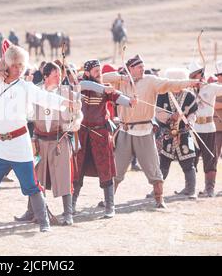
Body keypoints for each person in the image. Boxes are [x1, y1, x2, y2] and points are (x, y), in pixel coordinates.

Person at [0, 44, 80, 232]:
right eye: (15, 65)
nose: (19, 69)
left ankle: (43, 221)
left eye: (21, 66)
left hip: (20, 143)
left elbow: (45, 97)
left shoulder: (25, 86)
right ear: (7, 65)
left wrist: (67, 103)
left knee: (31, 184)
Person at [102, 54, 200, 208]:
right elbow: (102, 78)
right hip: (126, 131)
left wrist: (190, 82)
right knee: (117, 168)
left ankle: (159, 199)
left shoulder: (150, 80)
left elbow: (170, 84)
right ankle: (109, 201)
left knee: (154, 168)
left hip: (145, 131)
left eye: (143, 66)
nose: (143, 69)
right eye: (139, 67)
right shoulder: (121, 82)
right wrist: (122, 78)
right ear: (131, 69)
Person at [15, 62, 82, 226]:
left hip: (59, 140)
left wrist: (74, 120)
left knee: (64, 176)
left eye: (60, 75)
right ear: (45, 77)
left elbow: (78, 116)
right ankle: (32, 212)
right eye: (55, 75)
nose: (59, 78)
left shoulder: (67, 93)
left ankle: (68, 214)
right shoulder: (35, 91)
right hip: (39, 141)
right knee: (35, 177)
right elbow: (27, 113)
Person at [75, 59, 135, 218]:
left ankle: (110, 207)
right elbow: (86, 86)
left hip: (100, 135)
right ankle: (71, 206)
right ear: (87, 72)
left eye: (99, 70)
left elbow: (118, 98)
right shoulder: (81, 84)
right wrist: (105, 88)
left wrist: (130, 101)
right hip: (81, 135)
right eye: (95, 70)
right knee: (77, 170)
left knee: (106, 171)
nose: (98, 73)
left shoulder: (106, 89)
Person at [155, 68, 198, 199]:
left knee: (188, 162)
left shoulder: (190, 96)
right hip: (168, 133)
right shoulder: (162, 95)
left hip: (184, 134)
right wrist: (170, 116)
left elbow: (193, 113)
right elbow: (157, 112)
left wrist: (190, 121)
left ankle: (190, 190)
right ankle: (157, 191)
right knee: (163, 163)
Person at [188, 61, 222, 197]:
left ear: (201, 75)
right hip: (194, 128)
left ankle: (209, 188)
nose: (194, 79)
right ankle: (190, 188)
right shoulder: (189, 90)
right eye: (192, 77)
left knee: (210, 159)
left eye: (195, 76)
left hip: (208, 128)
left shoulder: (212, 87)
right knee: (191, 158)